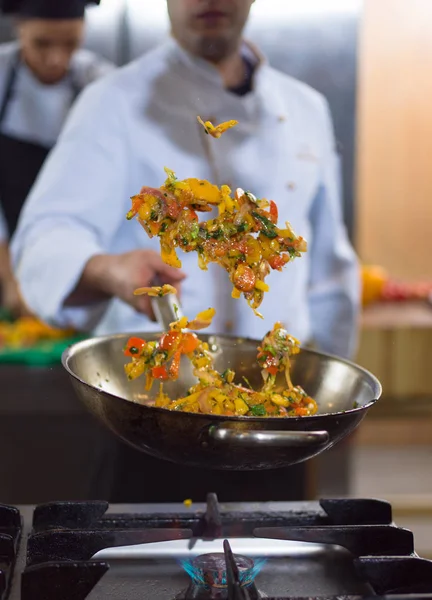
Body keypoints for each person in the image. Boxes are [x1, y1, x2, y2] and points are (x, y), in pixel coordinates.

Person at [11, 0, 361, 502]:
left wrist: (335, 410)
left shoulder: (306, 107)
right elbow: (47, 234)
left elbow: (329, 271)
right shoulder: (112, 101)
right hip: (154, 422)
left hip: (279, 420)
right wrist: (109, 269)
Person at [0, 0, 113, 316]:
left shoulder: (101, 83)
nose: (56, 58)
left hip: (79, 259)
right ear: (18, 27)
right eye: (42, 43)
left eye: (71, 44)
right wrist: (10, 278)